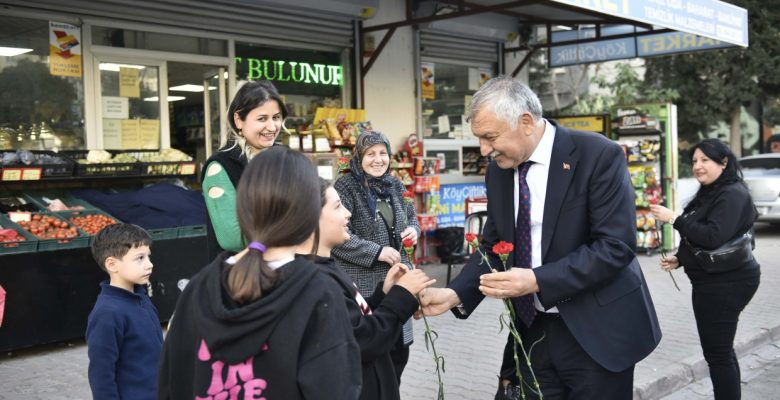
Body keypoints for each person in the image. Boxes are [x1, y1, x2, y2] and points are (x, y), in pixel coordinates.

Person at [418, 75, 662, 399]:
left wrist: (536, 280)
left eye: (490, 137)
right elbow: (494, 244)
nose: (484, 149)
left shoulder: (597, 155)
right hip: (534, 330)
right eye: (480, 138)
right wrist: (455, 294)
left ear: (526, 122)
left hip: (597, 332)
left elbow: (615, 247)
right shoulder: (499, 171)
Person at [159, 147, 361, 400]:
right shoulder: (318, 292)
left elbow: (171, 384)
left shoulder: (198, 287)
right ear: (309, 213)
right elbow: (335, 389)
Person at [300, 178, 435, 399]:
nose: (347, 214)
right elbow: (363, 340)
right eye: (337, 206)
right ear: (309, 216)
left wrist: (384, 293)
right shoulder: (316, 281)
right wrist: (401, 296)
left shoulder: (324, 268)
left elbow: (351, 322)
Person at [650, 138, 760, 400]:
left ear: (723, 162)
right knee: (721, 351)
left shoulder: (732, 193)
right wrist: (680, 259)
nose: (698, 166)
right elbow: (706, 238)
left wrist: (673, 218)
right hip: (714, 281)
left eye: (705, 160)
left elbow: (712, 236)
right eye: (695, 161)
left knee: (717, 355)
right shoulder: (713, 191)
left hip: (727, 284)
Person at [332, 131, 421, 383]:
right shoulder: (345, 187)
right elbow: (340, 237)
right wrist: (377, 252)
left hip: (398, 280)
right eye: (371, 154)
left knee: (398, 357)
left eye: (383, 153)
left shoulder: (395, 184)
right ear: (359, 157)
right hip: (366, 284)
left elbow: (412, 217)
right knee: (372, 359)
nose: (378, 159)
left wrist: (414, 231)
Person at [201, 80, 287, 260]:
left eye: (276, 117)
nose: (272, 127)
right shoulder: (220, 167)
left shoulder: (284, 158)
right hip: (241, 278)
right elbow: (232, 239)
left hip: (285, 270)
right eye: (262, 119)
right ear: (239, 120)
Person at [86, 223, 162, 400]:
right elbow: (101, 374)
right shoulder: (107, 313)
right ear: (112, 264)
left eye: (148, 256)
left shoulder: (141, 298)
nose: (149, 264)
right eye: (140, 258)